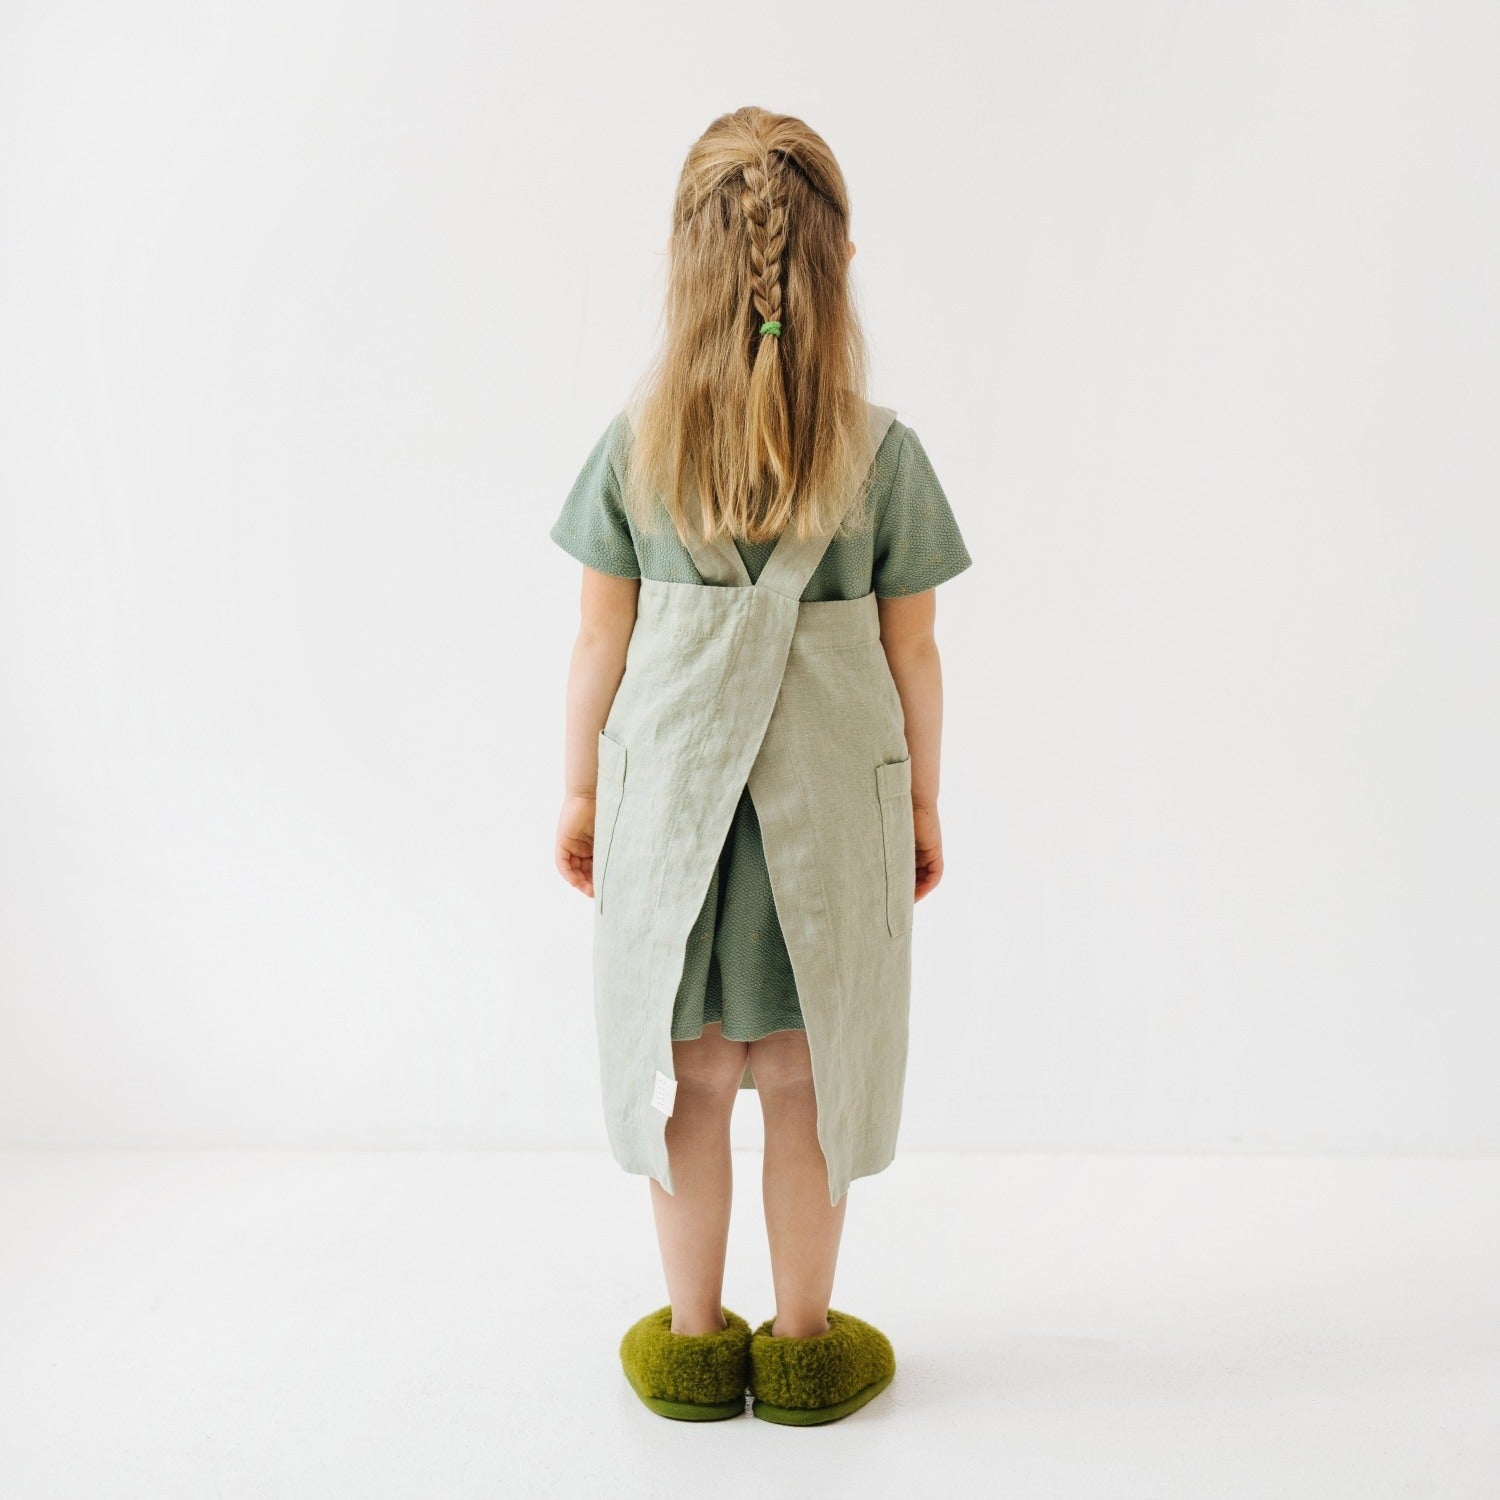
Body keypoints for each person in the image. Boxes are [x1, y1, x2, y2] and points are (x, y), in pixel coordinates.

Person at [549, 106, 972, 1425]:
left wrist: (576, 791)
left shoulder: (637, 451)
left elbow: (599, 636)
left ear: (683, 268)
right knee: (805, 1080)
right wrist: (920, 800)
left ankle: (689, 1342)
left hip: (677, 824)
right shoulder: (882, 455)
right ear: (835, 268)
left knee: (692, 1080)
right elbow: (916, 656)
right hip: (817, 840)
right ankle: (799, 1346)